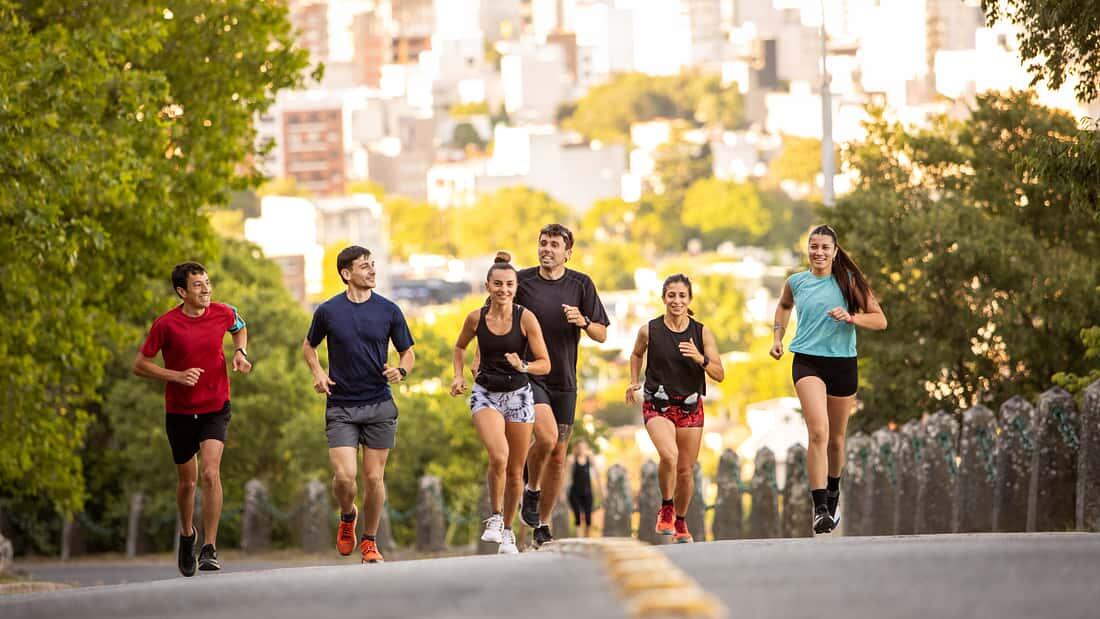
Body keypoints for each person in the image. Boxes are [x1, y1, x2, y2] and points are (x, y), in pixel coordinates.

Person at [133, 262, 252, 576]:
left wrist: (240, 353)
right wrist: (176, 376)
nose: (206, 290)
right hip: (180, 411)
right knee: (187, 482)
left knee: (210, 473)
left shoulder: (222, 312)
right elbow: (140, 364)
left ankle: (209, 548)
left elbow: (239, 327)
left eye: (207, 283)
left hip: (216, 406)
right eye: (198, 285)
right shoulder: (166, 325)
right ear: (182, 292)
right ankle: (187, 534)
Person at [770, 225, 887, 535]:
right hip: (807, 361)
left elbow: (880, 320)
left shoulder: (849, 282)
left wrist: (852, 318)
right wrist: (777, 337)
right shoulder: (796, 282)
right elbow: (784, 306)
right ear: (807, 249)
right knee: (818, 432)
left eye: (825, 247)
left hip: (842, 363)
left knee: (836, 440)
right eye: (814, 246)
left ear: (835, 252)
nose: (818, 252)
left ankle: (833, 490)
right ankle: (820, 508)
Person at [302, 245, 415, 564]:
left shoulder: (389, 310)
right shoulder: (328, 311)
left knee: (374, 479)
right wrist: (318, 371)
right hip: (341, 405)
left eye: (373, 264)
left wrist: (401, 370)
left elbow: (408, 352)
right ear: (346, 273)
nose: (372, 270)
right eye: (365, 266)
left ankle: (369, 541)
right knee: (345, 477)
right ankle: (348, 514)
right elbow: (309, 346)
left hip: (379, 403)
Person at [513, 224, 609, 548]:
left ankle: (542, 524)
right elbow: (494, 312)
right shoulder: (522, 281)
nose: (547, 249)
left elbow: (601, 333)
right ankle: (531, 489)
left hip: (565, 380)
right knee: (547, 436)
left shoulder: (581, 284)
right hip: (531, 374)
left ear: (568, 252)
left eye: (555, 245)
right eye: (543, 243)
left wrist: (583, 321)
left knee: (557, 456)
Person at [450, 252, 551, 554]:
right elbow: (459, 347)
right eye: (497, 284)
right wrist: (458, 375)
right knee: (499, 455)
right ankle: (494, 516)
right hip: (486, 394)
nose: (503, 290)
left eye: (509, 284)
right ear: (488, 286)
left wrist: (523, 365)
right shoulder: (476, 318)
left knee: (516, 469)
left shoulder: (525, 318)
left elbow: (544, 363)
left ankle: (508, 531)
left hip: (519, 396)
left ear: (516, 287)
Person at [627, 274, 724, 543]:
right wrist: (634, 381)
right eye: (671, 295)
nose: (677, 301)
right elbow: (636, 354)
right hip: (658, 404)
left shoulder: (702, 332)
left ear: (690, 300)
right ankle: (667, 507)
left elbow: (719, 374)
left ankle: (680, 522)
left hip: (690, 407)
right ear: (663, 298)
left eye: (682, 296)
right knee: (669, 456)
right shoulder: (649, 330)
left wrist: (700, 358)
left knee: (685, 470)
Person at [566, 441, 600, 538]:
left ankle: (586, 538)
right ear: (576, 448)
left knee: (588, 517)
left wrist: (601, 489)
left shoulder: (589, 459)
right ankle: (578, 538)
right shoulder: (572, 459)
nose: (581, 449)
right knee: (577, 516)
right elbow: (566, 476)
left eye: (583, 447)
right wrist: (562, 492)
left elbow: (597, 474)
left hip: (587, 492)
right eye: (579, 447)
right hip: (575, 492)